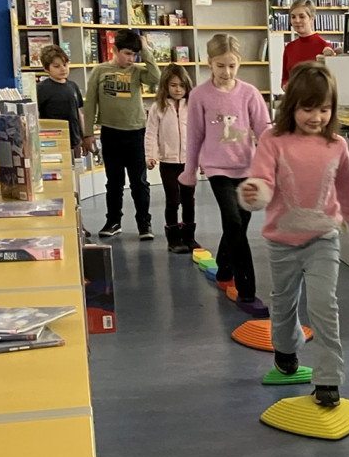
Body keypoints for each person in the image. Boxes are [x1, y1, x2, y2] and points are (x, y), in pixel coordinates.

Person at [239, 62, 349, 407]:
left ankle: (328, 378)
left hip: (323, 239)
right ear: (292, 106)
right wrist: (256, 192)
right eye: (308, 108)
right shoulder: (272, 139)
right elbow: (262, 178)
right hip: (281, 241)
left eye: (324, 109)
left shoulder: (337, 145)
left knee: (324, 305)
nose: (316, 117)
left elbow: (348, 193)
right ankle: (286, 349)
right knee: (283, 303)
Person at [185, 34, 271, 312]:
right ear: (209, 63)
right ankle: (247, 290)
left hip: (247, 168)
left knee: (240, 223)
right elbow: (194, 136)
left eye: (232, 66)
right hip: (216, 169)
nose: (226, 72)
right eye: (220, 66)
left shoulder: (249, 93)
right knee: (233, 221)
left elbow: (264, 130)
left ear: (239, 64)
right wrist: (189, 171)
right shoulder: (199, 95)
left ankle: (224, 268)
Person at [83, 28, 161, 239]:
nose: (131, 59)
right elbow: (90, 104)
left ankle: (144, 223)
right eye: (127, 53)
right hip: (110, 134)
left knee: (139, 183)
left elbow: (156, 77)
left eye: (134, 54)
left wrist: (145, 49)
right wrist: (88, 133)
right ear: (114, 49)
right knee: (114, 183)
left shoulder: (136, 71)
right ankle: (113, 221)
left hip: (136, 134)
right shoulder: (100, 71)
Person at [145, 63, 195, 254]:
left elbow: (199, 133)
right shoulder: (158, 107)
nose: (178, 89)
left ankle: (189, 236)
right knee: (173, 200)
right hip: (168, 162)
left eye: (182, 85)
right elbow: (151, 133)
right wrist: (150, 155)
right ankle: (173, 239)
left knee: (188, 199)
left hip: (188, 162)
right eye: (173, 85)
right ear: (165, 86)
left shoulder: (192, 106)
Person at [35, 45, 84, 161]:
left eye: (65, 64)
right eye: (56, 66)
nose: (63, 69)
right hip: (52, 142)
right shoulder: (40, 89)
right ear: (46, 68)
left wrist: (84, 136)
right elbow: (36, 115)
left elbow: (79, 113)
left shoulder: (73, 86)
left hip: (74, 141)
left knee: (76, 169)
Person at [281, 0, 335, 88]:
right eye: (293, 17)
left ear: (311, 19)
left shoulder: (324, 47)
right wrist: (285, 86)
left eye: (302, 17)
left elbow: (330, 81)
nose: (297, 20)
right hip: (294, 95)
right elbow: (285, 79)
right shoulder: (289, 47)